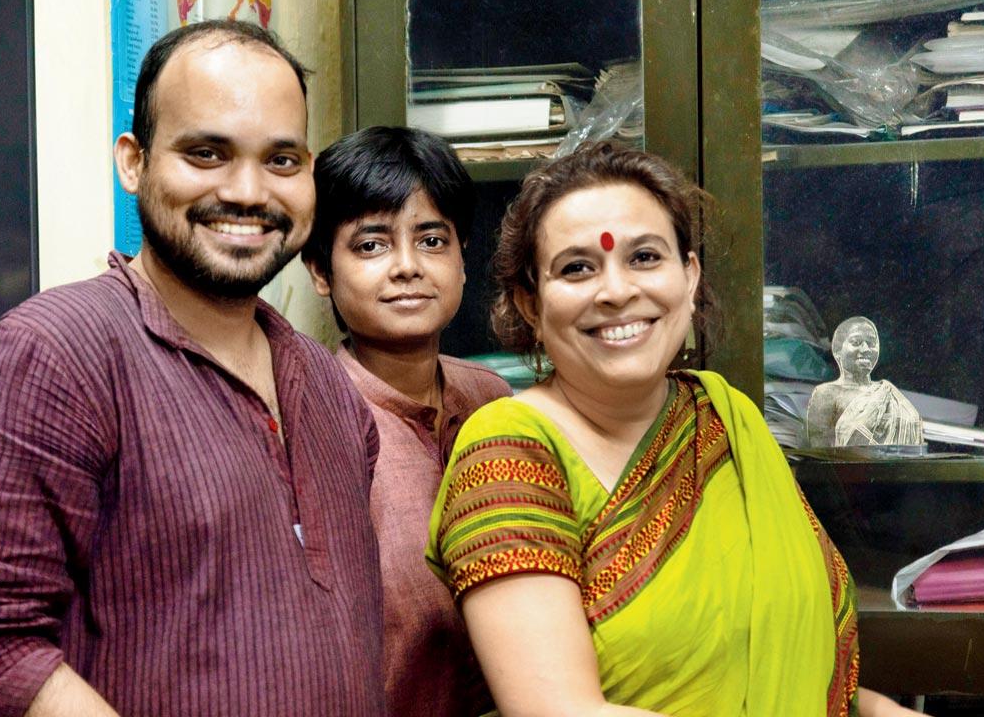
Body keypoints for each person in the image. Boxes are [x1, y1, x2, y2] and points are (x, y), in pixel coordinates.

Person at [0, 20, 385, 716]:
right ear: (134, 162)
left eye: (281, 160)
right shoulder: (53, 356)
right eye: (208, 153)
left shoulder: (328, 383)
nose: (249, 191)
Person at [426, 142, 928, 716]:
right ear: (531, 305)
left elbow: (779, 668)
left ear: (689, 277)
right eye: (577, 268)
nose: (616, 291)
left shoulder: (724, 418)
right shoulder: (507, 453)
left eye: (644, 258)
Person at [302, 126, 511, 716]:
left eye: (431, 240)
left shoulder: (492, 399)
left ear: (462, 258)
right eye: (371, 245)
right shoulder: (316, 418)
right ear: (321, 271)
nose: (406, 267)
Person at [805, 316, 923, 448]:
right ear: (837, 351)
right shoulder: (827, 393)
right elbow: (821, 452)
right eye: (856, 342)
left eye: (871, 343)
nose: (866, 349)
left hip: (897, 467)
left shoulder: (891, 395)